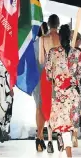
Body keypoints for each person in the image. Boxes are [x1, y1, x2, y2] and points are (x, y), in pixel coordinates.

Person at [45, 24, 81, 158]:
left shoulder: (52, 52)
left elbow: (48, 75)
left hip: (59, 93)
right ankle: (66, 146)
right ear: (70, 37)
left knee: (61, 124)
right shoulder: (77, 53)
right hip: (72, 93)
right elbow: (79, 74)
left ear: (60, 37)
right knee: (69, 124)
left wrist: (58, 78)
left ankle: (68, 152)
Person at [38, 14, 61, 153]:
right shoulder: (62, 37)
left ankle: (50, 141)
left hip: (47, 75)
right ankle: (60, 135)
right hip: (60, 75)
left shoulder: (42, 39)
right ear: (58, 24)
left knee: (48, 106)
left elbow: (41, 60)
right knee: (59, 105)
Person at [33, 22, 49, 151]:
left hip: (36, 79)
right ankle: (39, 136)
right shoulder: (48, 42)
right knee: (42, 107)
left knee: (39, 106)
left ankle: (40, 137)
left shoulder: (32, 45)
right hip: (45, 78)